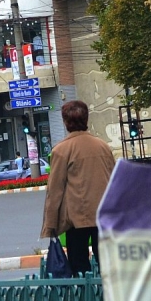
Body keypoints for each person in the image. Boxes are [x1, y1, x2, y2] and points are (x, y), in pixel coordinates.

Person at [40, 100, 115, 276]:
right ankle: (105, 299)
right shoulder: (103, 146)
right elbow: (114, 180)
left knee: (79, 264)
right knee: (106, 265)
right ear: (86, 119)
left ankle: (84, 299)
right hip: (103, 216)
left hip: (76, 218)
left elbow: (55, 190)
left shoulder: (61, 150)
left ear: (65, 122)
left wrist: (50, 224)